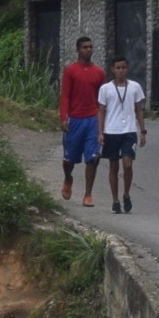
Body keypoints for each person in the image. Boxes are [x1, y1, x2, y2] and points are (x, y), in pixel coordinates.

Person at [97, 54, 150, 214]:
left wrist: (143, 131)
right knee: (113, 166)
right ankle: (115, 200)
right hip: (111, 131)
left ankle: (126, 193)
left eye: (124, 68)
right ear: (113, 69)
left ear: (127, 69)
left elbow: (139, 110)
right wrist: (100, 133)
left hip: (129, 132)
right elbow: (101, 112)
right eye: (118, 68)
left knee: (127, 164)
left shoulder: (134, 87)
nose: (121, 71)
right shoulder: (105, 89)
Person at [58, 35, 106, 205]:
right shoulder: (71, 71)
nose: (88, 50)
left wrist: (102, 124)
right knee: (69, 159)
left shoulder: (99, 72)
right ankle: (68, 178)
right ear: (78, 49)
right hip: (74, 120)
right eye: (85, 47)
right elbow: (65, 97)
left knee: (93, 158)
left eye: (90, 46)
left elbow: (102, 100)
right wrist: (64, 118)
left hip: (92, 120)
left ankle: (88, 194)